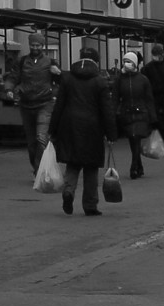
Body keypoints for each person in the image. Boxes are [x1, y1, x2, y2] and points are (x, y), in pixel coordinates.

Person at [46, 53, 117, 216]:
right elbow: (107, 110)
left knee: (72, 162)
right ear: (96, 62)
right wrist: (111, 134)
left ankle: (68, 190)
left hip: (69, 124)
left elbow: (59, 105)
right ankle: (90, 204)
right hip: (93, 127)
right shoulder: (100, 81)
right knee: (91, 166)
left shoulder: (68, 79)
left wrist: (53, 129)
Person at [116, 49, 157, 177]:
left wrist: (153, 117)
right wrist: (113, 113)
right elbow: (115, 98)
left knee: (136, 137)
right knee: (132, 139)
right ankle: (139, 165)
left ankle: (133, 167)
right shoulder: (119, 80)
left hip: (141, 114)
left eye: (129, 61)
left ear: (134, 63)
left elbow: (149, 99)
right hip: (127, 114)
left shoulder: (143, 79)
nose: (126, 64)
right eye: (125, 61)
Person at [15, 49, 56, 167]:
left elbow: (59, 80)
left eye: (37, 45)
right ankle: (36, 167)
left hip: (45, 103)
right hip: (26, 104)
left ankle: (40, 170)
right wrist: (9, 89)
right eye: (33, 45)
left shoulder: (50, 62)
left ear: (42, 46)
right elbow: (15, 76)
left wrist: (58, 73)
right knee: (32, 142)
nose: (35, 47)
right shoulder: (23, 61)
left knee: (41, 138)